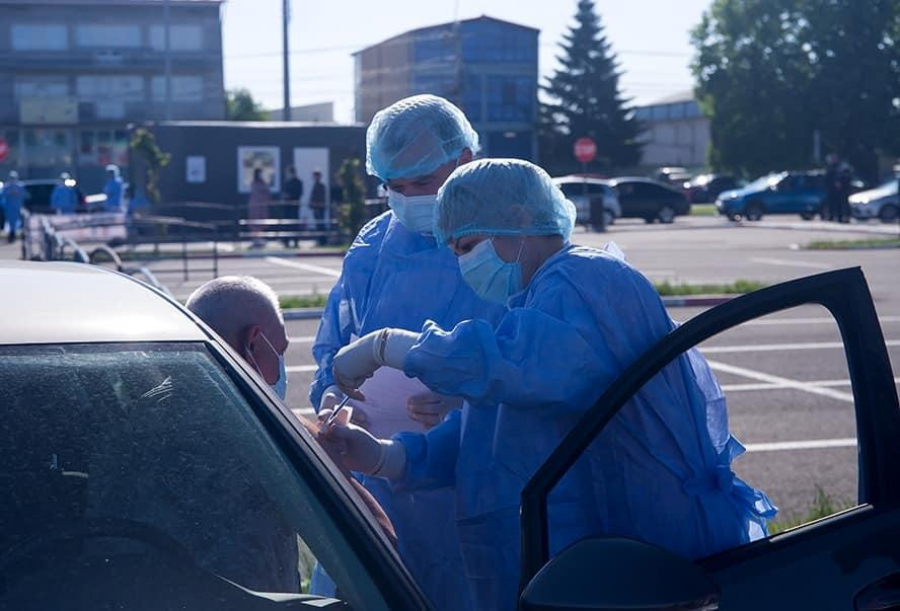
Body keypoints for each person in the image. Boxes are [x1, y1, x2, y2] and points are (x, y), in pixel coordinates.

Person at [322, 159, 776, 611]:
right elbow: (495, 435)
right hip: (583, 559)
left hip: (636, 551)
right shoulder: (536, 295)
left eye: (468, 246)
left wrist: (384, 346)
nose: (463, 264)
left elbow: (506, 364)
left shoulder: (589, 282)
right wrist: (388, 456)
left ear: (519, 218)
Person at [308, 94, 507, 610]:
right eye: (395, 187)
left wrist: (466, 402)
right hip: (375, 482)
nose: (409, 199)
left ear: (464, 160)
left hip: (472, 491)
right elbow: (335, 340)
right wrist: (331, 390)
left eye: (422, 183)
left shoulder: (507, 240)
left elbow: (537, 366)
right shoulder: (376, 244)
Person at [185, 276, 396, 593]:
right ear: (253, 343)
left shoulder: (136, 420)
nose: (282, 363)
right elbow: (376, 543)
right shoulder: (267, 435)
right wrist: (326, 458)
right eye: (280, 350)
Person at [248, 167, 271, 247]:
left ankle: (261, 238)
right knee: (255, 222)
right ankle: (255, 239)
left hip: (262, 205)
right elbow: (257, 192)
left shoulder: (263, 182)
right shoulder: (254, 183)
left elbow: (267, 192)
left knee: (261, 222)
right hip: (255, 205)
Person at [1, 170, 25, 243]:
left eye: (13, 178)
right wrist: (9, 193)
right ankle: (12, 232)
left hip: (17, 206)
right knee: (10, 221)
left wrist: (17, 193)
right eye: (11, 178)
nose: (12, 179)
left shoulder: (20, 186)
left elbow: (24, 195)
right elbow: (2, 195)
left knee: (16, 220)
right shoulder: (7, 186)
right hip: (9, 207)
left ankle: (14, 233)